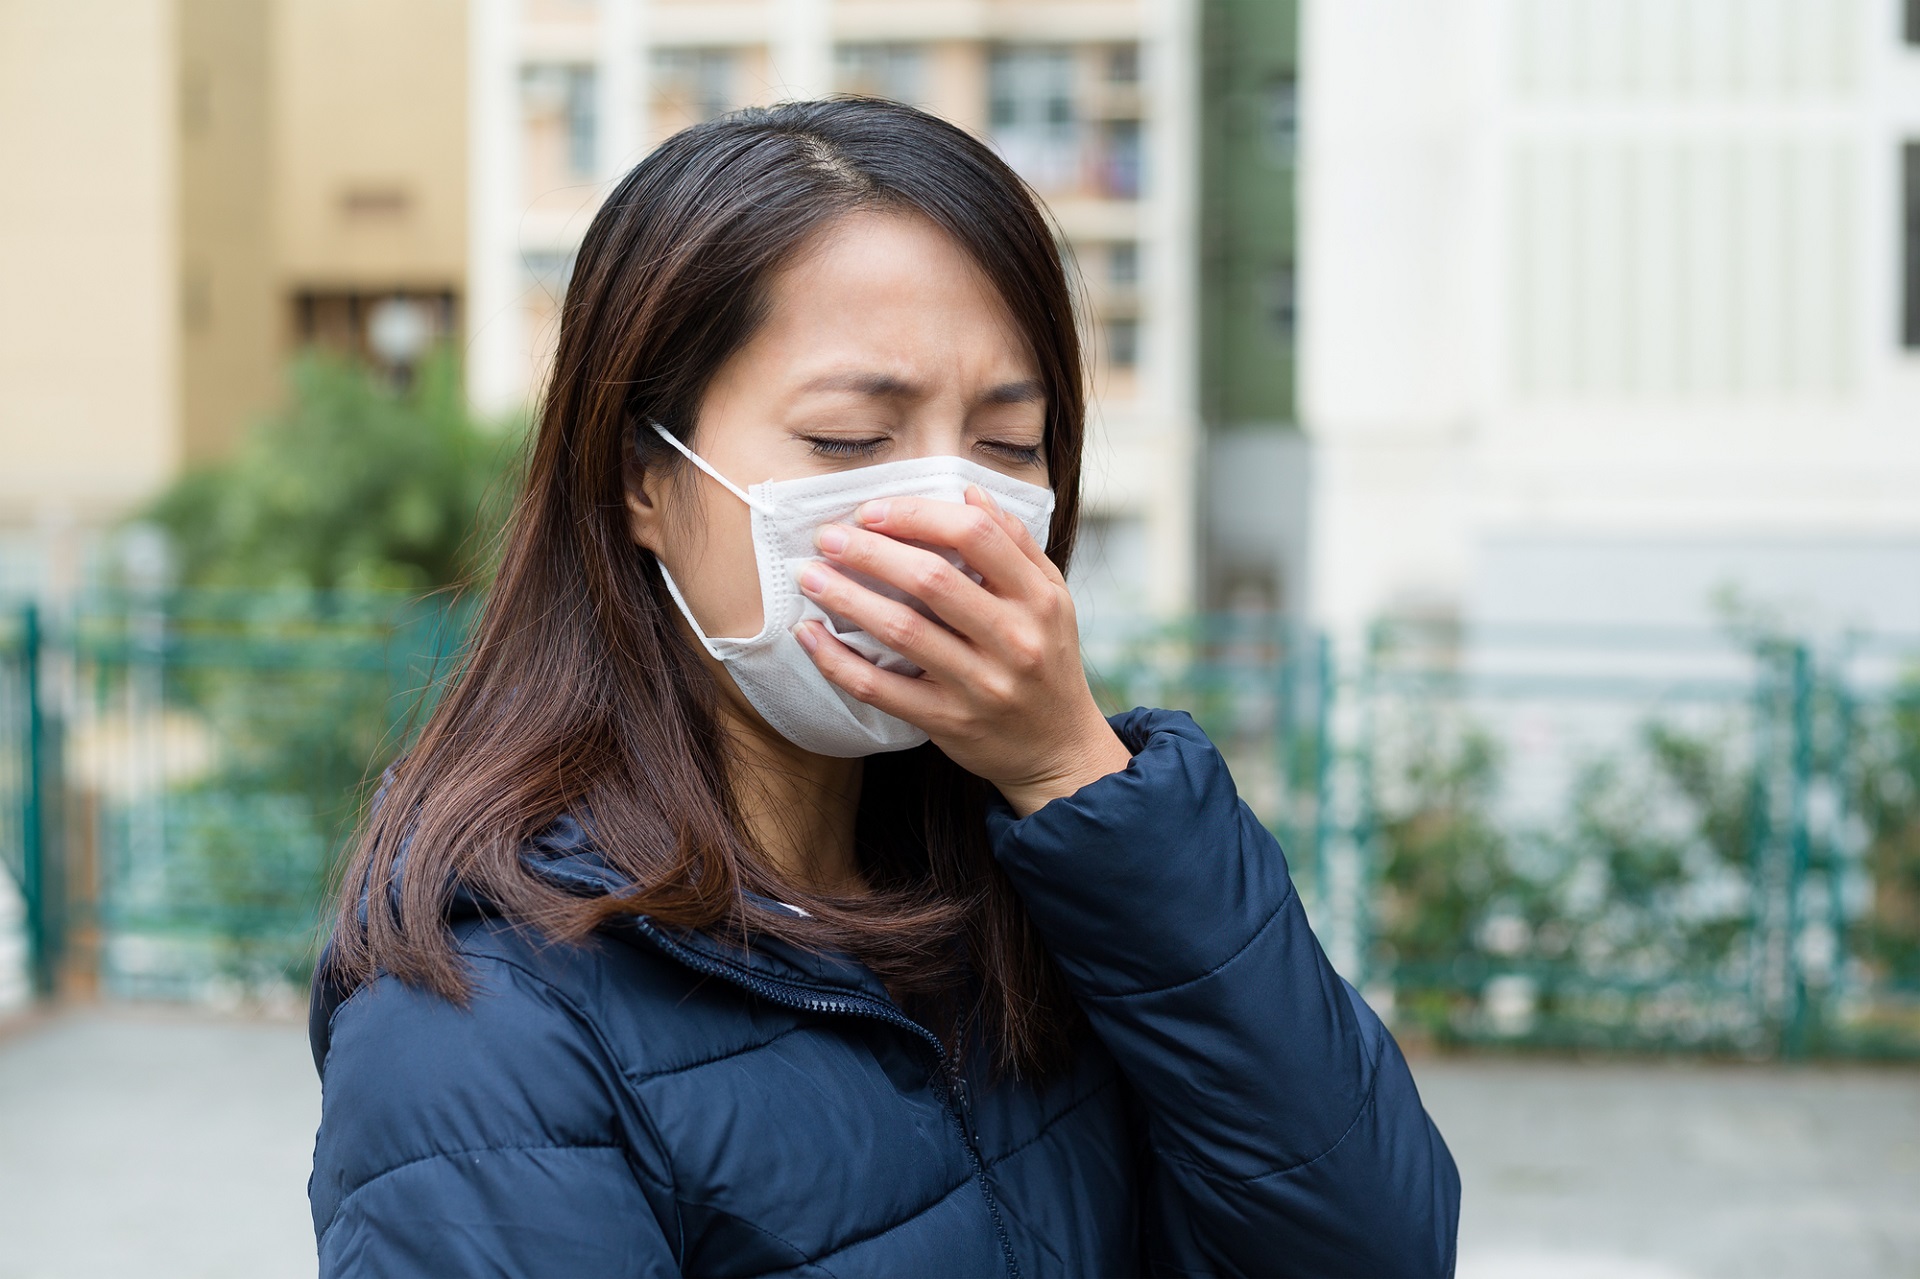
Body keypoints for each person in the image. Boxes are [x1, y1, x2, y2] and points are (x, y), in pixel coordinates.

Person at [307, 97, 1460, 1278]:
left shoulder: (1046, 887)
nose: (950, 516)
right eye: (853, 440)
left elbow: (1376, 1247)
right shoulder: (478, 1023)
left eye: (1008, 447)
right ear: (643, 478)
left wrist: (1076, 780)